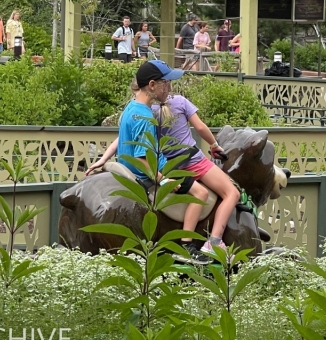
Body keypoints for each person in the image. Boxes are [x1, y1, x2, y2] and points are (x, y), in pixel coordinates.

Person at [87, 82, 240, 261]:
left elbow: (123, 137)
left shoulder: (146, 110)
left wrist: (104, 159)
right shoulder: (180, 102)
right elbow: (200, 128)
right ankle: (212, 242)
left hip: (167, 164)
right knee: (232, 193)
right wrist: (214, 145)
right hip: (191, 161)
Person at [112, 60, 214, 261]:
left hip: (139, 167)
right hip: (153, 171)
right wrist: (163, 179)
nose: (169, 88)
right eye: (166, 83)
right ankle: (187, 246)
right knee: (201, 192)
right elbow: (141, 157)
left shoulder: (131, 108)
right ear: (152, 85)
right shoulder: (144, 116)